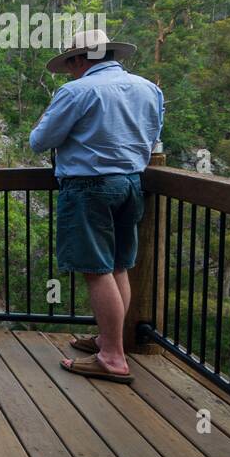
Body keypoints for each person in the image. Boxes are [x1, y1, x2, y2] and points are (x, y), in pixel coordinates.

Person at [28, 29, 164, 383]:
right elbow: (152, 138)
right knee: (118, 265)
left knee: (96, 270)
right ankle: (110, 341)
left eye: (71, 63)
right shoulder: (148, 89)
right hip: (131, 184)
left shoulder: (77, 91)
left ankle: (113, 357)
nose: (71, 71)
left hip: (88, 187)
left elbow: (40, 141)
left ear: (79, 59)